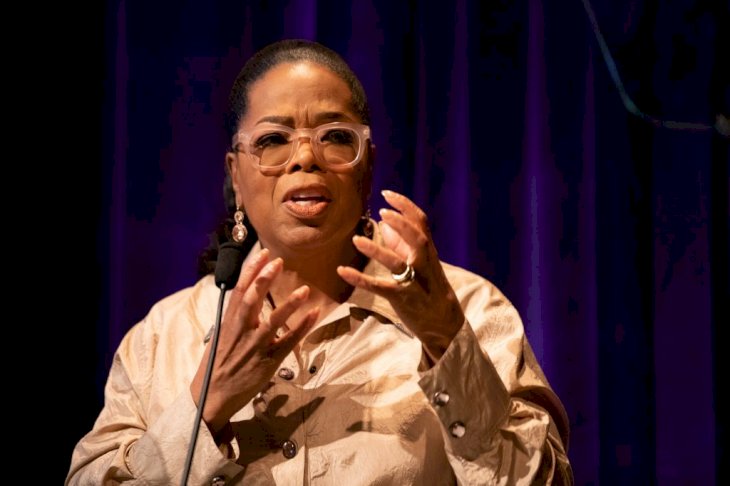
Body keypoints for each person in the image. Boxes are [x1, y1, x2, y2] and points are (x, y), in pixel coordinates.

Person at [66, 38, 573, 485]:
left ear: (367, 165)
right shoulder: (163, 337)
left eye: (334, 136)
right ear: (236, 176)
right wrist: (205, 407)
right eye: (273, 140)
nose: (305, 156)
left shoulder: (471, 310)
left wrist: (446, 344)